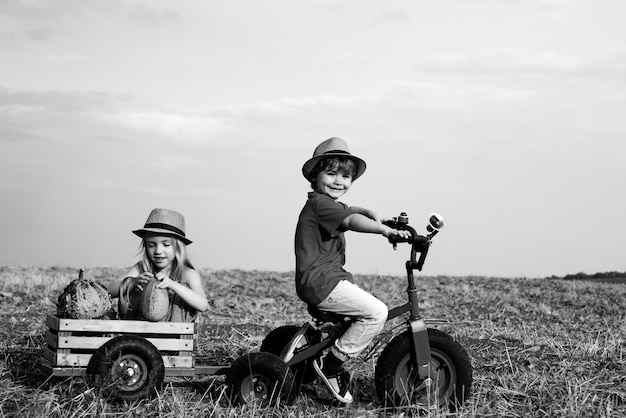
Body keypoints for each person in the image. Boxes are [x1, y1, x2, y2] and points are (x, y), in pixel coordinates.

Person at [295, 137, 411, 403]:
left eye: (346, 176)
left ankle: (318, 341)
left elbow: (350, 210)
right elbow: (349, 219)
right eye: (331, 173)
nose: (339, 181)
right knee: (376, 313)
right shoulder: (322, 205)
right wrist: (382, 229)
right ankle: (333, 364)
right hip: (322, 282)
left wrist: (371, 211)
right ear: (315, 175)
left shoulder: (322, 203)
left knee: (359, 308)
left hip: (322, 280)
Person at [108, 208, 209, 322]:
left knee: (183, 292)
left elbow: (203, 305)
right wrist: (132, 282)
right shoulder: (141, 268)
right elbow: (108, 291)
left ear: (178, 248)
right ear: (145, 246)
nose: (158, 251)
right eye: (151, 245)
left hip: (175, 334)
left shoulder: (187, 274)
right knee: (127, 288)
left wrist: (172, 285)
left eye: (166, 245)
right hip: (140, 333)